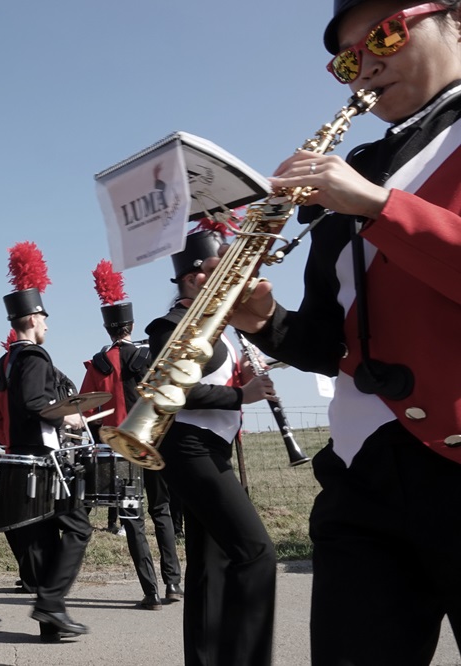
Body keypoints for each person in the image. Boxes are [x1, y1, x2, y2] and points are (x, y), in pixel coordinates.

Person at [220, 1, 461, 662]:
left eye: (385, 33)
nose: (366, 65)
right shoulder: (357, 166)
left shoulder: (362, 186)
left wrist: (380, 205)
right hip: (362, 479)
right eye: (348, 59)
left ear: (456, 20)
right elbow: (336, 345)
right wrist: (267, 321)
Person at [147, 227, 277, 665]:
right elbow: (172, 389)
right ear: (192, 279)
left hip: (211, 447)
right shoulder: (170, 325)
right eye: (212, 268)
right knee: (256, 552)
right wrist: (245, 394)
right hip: (188, 447)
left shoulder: (223, 328)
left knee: (211, 564)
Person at [0, 241, 92, 643]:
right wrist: (68, 413)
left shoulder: (9, 359)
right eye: (45, 317)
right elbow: (34, 402)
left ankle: (50, 624)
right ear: (32, 317)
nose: (48, 324)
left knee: (46, 537)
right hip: (42, 459)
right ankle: (50, 601)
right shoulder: (33, 357)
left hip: (25, 453)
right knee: (79, 528)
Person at [79, 260, 182, 612]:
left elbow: (88, 413)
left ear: (107, 329)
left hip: (119, 450)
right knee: (162, 511)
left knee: (133, 519)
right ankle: (173, 583)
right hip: (153, 443)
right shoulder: (150, 355)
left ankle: (150, 592)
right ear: (132, 324)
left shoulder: (96, 365)